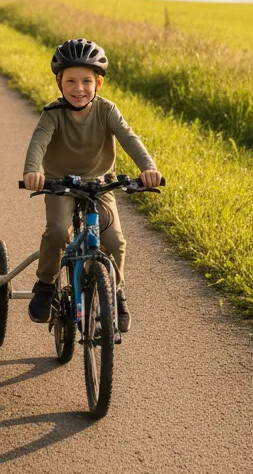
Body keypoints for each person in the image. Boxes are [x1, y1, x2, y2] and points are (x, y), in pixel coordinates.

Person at [22, 38, 162, 333]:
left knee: (114, 241)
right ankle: (46, 285)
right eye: (70, 81)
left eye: (86, 81)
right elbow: (38, 142)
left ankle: (116, 291)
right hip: (60, 184)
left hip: (99, 185)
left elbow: (129, 139)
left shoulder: (107, 110)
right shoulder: (53, 113)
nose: (78, 88)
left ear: (98, 83)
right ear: (59, 82)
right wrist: (33, 171)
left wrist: (147, 168)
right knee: (58, 231)